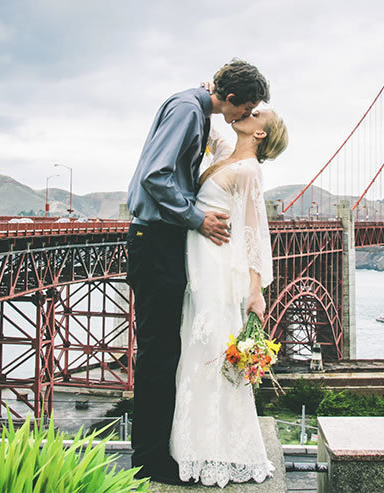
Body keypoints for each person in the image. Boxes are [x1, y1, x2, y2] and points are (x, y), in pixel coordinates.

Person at [125, 59, 270, 485]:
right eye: (243, 108)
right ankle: (149, 459)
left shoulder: (194, 106)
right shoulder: (190, 110)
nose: (243, 116)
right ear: (229, 99)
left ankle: (158, 450)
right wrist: (196, 219)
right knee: (158, 353)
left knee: (166, 349)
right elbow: (156, 176)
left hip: (155, 240)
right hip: (154, 239)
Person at [170, 106, 288, 487]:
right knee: (196, 347)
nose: (247, 113)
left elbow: (254, 234)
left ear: (260, 134)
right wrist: (211, 96)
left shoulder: (249, 171)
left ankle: (221, 451)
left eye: (256, 113)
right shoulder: (227, 155)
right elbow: (216, 124)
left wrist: (256, 292)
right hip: (201, 263)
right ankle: (195, 445)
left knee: (211, 347)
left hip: (218, 266)